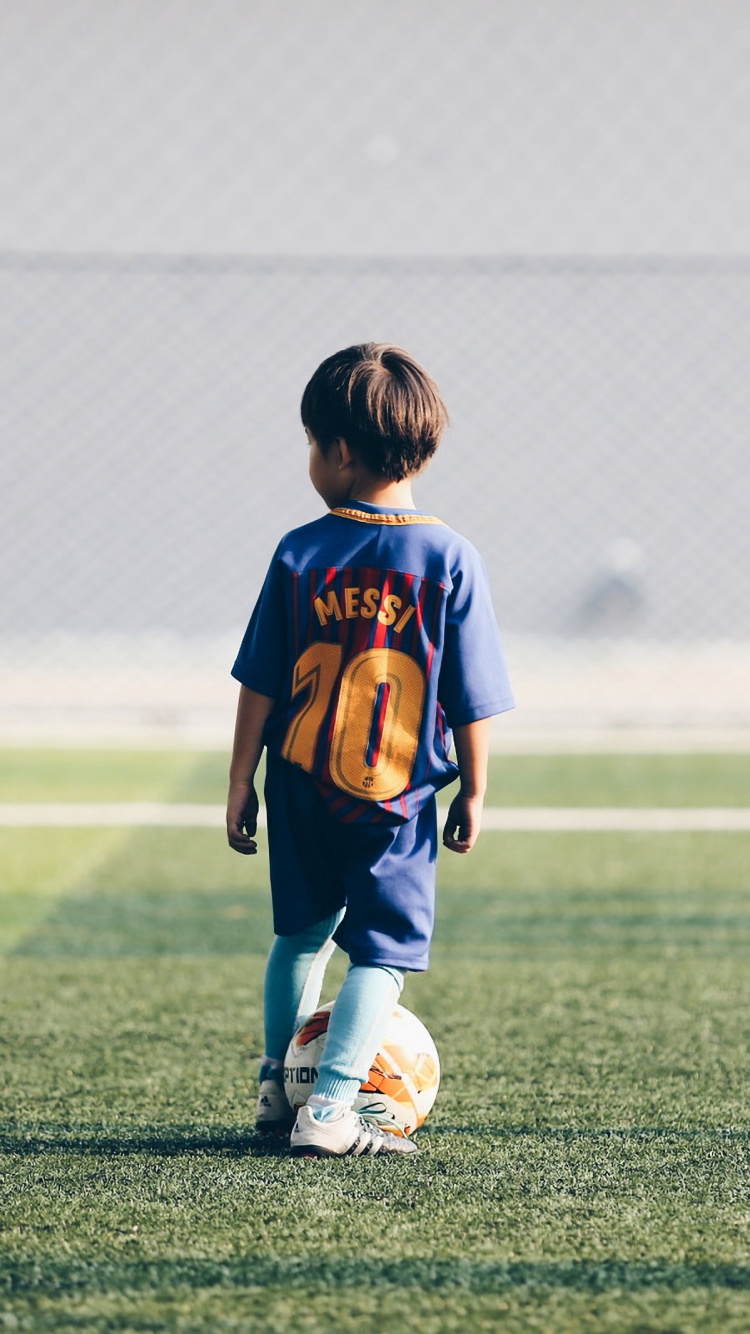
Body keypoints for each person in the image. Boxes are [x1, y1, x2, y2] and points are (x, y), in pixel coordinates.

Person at [227, 343, 514, 1158]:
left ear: (341, 451)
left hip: (298, 784)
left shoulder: (299, 552)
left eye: (312, 443)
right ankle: (331, 1112)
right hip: (395, 795)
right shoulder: (450, 558)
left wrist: (240, 780)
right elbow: (471, 696)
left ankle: (278, 1093)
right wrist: (478, 792)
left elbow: (260, 681)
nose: (310, 461)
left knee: (300, 937)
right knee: (380, 956)